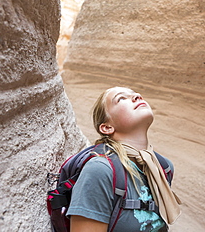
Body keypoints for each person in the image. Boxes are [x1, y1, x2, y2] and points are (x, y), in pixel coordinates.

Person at [67, 87, 181, 232]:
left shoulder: (162, 167)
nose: (137, 96)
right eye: (121, 98)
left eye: (135, 94)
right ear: (107, 127)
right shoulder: (100, 170)